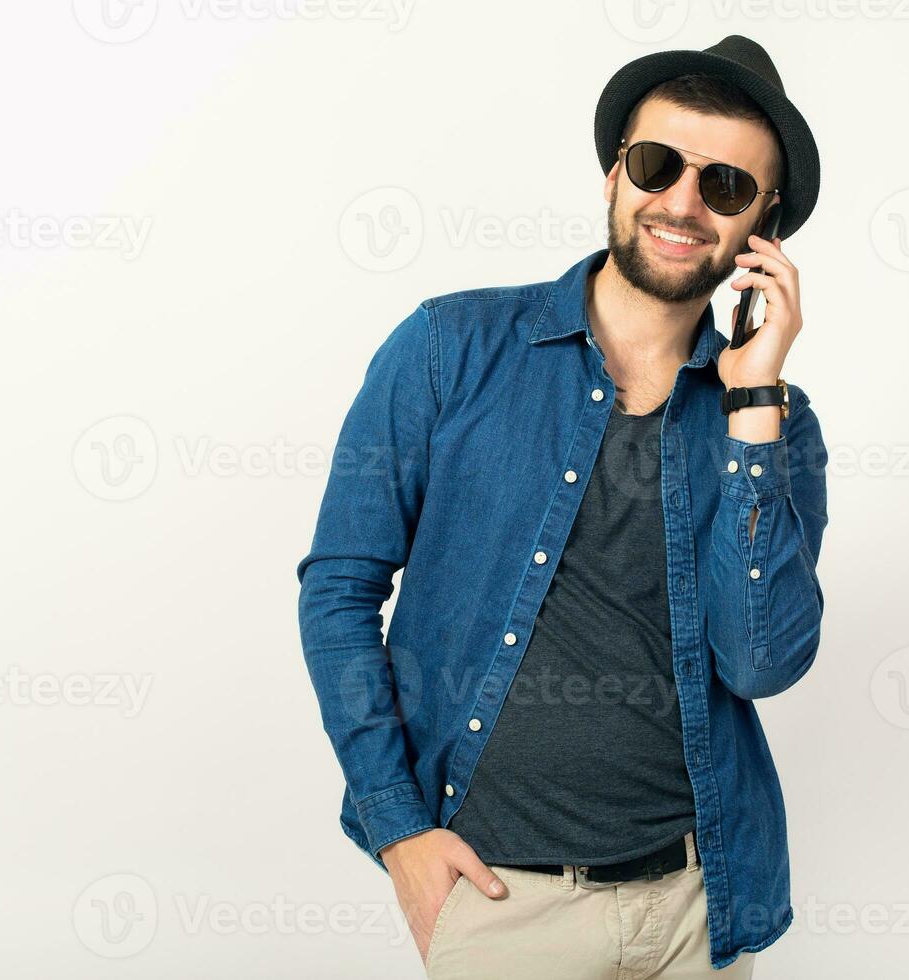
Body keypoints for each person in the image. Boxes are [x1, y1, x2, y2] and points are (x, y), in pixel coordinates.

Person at [297, 35, 829, 978]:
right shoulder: (448, 349)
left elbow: (760, 662)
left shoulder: (774, 423)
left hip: (699, 908)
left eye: (727, 187)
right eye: (658, 166)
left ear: (765, 225)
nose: (681, 203)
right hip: (502, 906)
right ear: (614, 173)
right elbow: (338, 590)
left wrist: (753, 400)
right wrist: (399, 831)